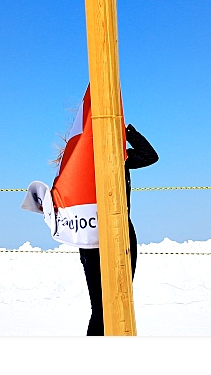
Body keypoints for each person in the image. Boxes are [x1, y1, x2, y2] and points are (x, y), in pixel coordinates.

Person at [78, 123, 159, 336]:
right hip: (92, 236)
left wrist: (126, 131)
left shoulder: (118, 158)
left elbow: (149, 156)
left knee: (121, 297)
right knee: (101, 307)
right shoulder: (79, 162)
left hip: (123, 232)